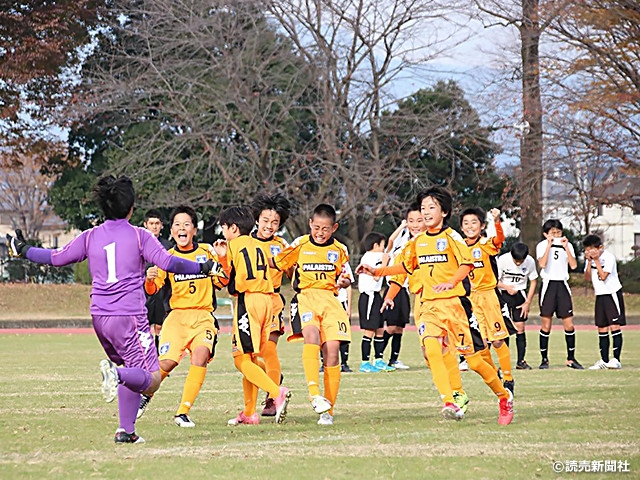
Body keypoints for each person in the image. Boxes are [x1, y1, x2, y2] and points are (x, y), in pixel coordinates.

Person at [4, 175, 217, 444]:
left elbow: (55, 259)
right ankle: (114, 375)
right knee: (150, 379)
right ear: (131, 208)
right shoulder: (140, 236)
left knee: (130, 367)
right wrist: (203, 267)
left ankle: (126, 431)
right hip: (129, 317)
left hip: (99, 317)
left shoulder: (91, 236)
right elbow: (169, 262)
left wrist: (24, 250)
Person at [358, 187, 514, 425]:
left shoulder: (452, 238)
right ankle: (449, 401)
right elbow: (404, 268)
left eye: (431, 207)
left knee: (473, 361)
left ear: (444, 212)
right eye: (423, 208)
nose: (426, 212)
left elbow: (467, 264)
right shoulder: (417, 242)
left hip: (455, 306)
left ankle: (503, 397)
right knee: (432, 350)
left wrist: (451, 281)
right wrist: (377, 271)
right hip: (428, 305)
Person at [137, 205, 227, 428]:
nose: (182, 228)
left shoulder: (207, 252)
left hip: (203, 317)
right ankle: (146, 394)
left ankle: (182, 412)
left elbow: (222, 281)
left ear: (194, 229)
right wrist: (149, 279)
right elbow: (152, 289)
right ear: (172, 230)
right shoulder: (167, 257)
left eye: (186, 224)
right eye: (177, 224)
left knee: (201, 355)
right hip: (176, 318)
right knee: (166, 363)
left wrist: (223, 260)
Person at [271, 204, 352, 426]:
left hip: (331, 301)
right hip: (306, 298)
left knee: (333, 352)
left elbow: (346, 276)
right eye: (316, 227)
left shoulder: (340, 249)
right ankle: (314, 394)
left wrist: (344, 281)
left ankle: (328, 410)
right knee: (311, 337)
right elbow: (278, 263)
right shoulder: (300, 244)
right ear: (310, 224)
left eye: (325, 229)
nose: (320, 232)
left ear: (333, 228)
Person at [213, 206, 291, 426]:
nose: (223, 232)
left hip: (249, 301)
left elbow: (230, 286)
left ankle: (277, 392)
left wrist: (222, 258)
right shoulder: (259, 246)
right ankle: (249, 412)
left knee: (240, 358)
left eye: (224, 228)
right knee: (251, 358)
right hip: (268, 301)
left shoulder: (233, 246)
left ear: (233, 228)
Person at [461, 207, 516, 394]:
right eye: (466, 223)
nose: (470, 226)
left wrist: (497, 221)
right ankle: (495, 374)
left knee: (498, 341)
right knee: (481, 343)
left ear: (482, 225)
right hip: (471, 299)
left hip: (489, 297)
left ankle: (508, 379)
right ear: (461, 227)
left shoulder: (485, 244)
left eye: (474, 222)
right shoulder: (459, 247)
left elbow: (500, 240)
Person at [249, 192, 292, 416]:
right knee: (251, 356)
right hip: (250, 303)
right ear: (257, 219)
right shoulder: (245, 243)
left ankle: (273, 400)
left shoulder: (282, 245)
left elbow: (293, 272)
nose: (269, 226)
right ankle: (274, 381)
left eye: (274, 222)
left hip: (274, 301)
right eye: (265, 220)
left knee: (269, 349)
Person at [379, 204, 428, 371]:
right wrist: (402, 226)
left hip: (409, 291)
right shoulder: (404, 241)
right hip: (396, 287)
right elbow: (391, 244)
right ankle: (378, 357)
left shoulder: (432, 240)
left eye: (419, 220)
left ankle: (394, 359)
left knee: (400, 327)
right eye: (411, 221)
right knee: (391, 327)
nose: (415, 224)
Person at [536, 219, 583, 369]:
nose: (556, 235)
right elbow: (542, 264)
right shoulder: (542, 245)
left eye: (558, 232)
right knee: (546, 325)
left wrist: (566, 247)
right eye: (552, 232)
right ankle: (544, 360)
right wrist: (549, 245)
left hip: (562, 284)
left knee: (569, 324)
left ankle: (571, 359)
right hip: (549, 284)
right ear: (546, 234)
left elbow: (574, 265)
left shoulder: (567, 245)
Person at [583, 234, 625, 369]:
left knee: (614, 326)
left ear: (600, 247)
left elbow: (603, 276)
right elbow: (587, 277)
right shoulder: (590, 259)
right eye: (587, 250)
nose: (590, 252)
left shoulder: (608, 257)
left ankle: (616, 359)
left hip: (611, 293)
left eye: (592, 249)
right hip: (600, 295)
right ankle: (604, 360)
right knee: (601, 327)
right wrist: (589, 262)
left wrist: (596, 260)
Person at [497, 242, 538, 370]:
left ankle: (521, 361)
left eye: (521, 261)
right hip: (504, 294)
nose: (518, 263)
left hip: (520, 295)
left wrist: (527, 302)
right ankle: (505, 362)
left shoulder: (530, 261)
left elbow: (533, 281)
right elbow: (495, 280)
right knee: (506, 329)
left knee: (520, 327)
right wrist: (507, 287)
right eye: (516, 261)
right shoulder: (503, 260)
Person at [357, 232, 388, 373]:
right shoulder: (370, 257)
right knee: (369, 330)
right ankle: (365, 362)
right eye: (383, 245)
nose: (384, 248)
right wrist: (385, 262)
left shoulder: (376, 256)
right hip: (368, 296)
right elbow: (376, 277)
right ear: (376, 245)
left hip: (376, 296)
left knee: (380, 329)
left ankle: (379, 360)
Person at [143, 209, 172, 353]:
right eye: (151, 223)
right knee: (143, 327)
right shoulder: (139, 245)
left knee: (160, 326)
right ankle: (146, 357)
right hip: (143, 293)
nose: (154, 226)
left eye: (157, 223)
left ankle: (160, 359)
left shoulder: (168, 246)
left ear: (161, 225)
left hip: (163, 293)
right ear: (145, 225)